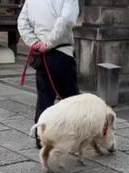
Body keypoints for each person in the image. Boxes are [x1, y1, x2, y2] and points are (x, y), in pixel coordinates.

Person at [18, 0, 80, 148]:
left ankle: (41, 140)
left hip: (42, 56)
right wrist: (50, 43)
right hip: (61, 52)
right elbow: (66, 20)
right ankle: (76, 137)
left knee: (44, 99)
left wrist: (34, 42)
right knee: (71, 101)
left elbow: (22, 22)